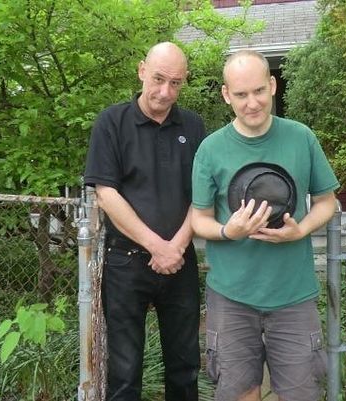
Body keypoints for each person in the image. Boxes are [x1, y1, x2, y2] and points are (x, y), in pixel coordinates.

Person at [191, 50, 340, 401]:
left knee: (301, 394)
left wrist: (300, 231)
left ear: (272, 86)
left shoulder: (301, 138)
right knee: (240, 393)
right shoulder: (210, 150)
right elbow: (199, 219)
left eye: (259, 91)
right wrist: (230, 231)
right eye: (241, 95)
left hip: (293, 294)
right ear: (227, 95)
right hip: (231, 296)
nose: (252, 103)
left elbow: (326, 202)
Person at [84, 42, 206, 401]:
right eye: (158, 79)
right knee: (124, 373)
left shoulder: (194, 126)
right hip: (126, 263)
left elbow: (202, 196)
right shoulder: (112, 122)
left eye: (176, 83)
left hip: (180, 264)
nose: (165, 92)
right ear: (141, 71)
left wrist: (177, 247)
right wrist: (158, 247)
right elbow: (106, 194)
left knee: (185, 369)